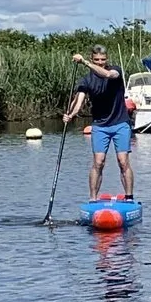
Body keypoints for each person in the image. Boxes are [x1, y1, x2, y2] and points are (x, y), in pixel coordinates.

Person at [62, 41, 134, 199]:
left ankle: (129, 198)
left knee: (123, 161)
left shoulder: (116, 71)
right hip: (100, 126)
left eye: (103, 60)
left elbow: (108, 75)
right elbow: (78, 101)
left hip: (120, 123)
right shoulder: (86, 80)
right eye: (97, 60)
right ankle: (93, 199)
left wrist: (84, 62)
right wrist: (71, 115)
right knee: (98, 162)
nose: (100, 62)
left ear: (107, 59)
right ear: (92, 58)